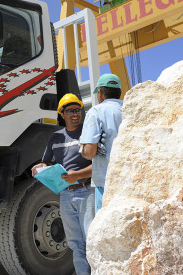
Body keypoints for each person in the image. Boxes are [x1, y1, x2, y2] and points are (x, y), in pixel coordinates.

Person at [32, 93, 94, 275]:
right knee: (75, 243)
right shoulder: (55, 138)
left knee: (91, 239)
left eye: (78, 110)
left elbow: (99, 164)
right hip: (66, 195)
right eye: (70, 111)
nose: (75, 114)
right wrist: (41, 167)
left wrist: (78, 175)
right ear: (62, 113)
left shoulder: (88, 133)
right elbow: (47, 163)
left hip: (86, 192)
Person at [80, 74, 123, 213]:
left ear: (100, 93)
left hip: (106, 182)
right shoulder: (129, 109)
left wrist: (82, 148)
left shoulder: (96, 112)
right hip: (130, 181)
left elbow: (90, 152)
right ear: (119, 92)